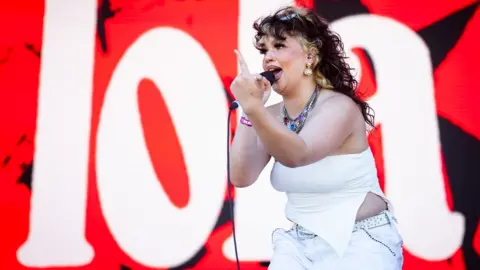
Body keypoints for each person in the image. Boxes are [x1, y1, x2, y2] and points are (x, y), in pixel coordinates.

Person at [229, 6, 404, 270]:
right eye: (264, 50)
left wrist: (256, 110)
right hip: (300, 245)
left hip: (361, 242)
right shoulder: (270, 115)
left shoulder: (339, 107)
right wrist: (248, 111)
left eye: (279, 46)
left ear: (310, 57)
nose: (268, 58)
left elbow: (298, 155)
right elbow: (241, 177)